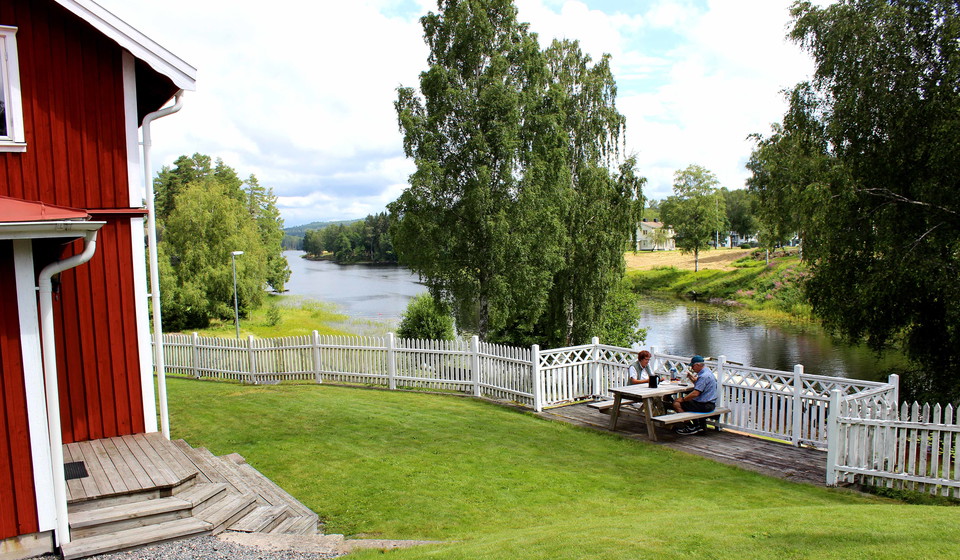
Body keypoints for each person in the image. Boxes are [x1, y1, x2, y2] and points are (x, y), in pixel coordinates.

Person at [672, 355, 717, 435]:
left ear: (698, 365)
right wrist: (691, 377)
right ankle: (697, 425)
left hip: (705, 405)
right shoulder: (708, 372)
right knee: (687, 403)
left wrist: (683, 399)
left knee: (676, 403)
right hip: (710, 403)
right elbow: (699, 384)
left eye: (693, 366)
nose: (692, 368)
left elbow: (696, 393)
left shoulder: (704, 376)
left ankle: (691, 426)